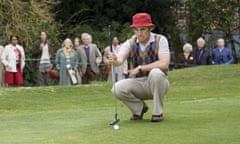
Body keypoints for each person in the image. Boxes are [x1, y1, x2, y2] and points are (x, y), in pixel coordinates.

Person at [109, 13, 170, 122]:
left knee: (156, 73)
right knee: (117, 88)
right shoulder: (130, 43)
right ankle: (139, 109)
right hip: (138, 83)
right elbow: (119, 60)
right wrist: (114, 60)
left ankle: (157, 113)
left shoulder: (160, 40)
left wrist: (141, 67)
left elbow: (164, 63)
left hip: (159, 82)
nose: (139, 33)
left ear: (150, 29)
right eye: (136, 30)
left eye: (143, 29)